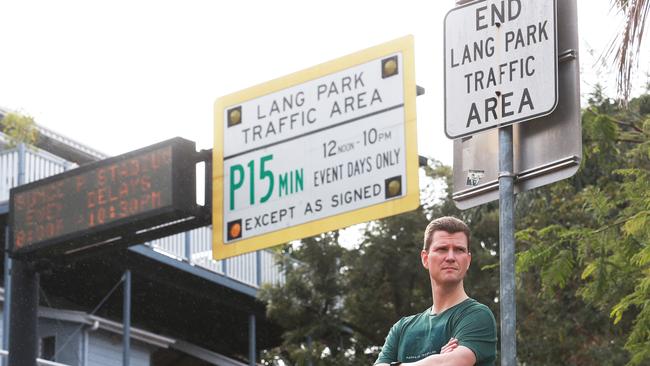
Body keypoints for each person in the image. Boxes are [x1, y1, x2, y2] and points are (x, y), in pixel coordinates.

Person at [374, 216, 497, 366]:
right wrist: (438, 359)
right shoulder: (402, 329)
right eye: (442, 249)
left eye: (459, 250)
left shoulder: (477, 316)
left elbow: (450, 364)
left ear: (468, 260)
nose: (451, 257)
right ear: (425, 258)